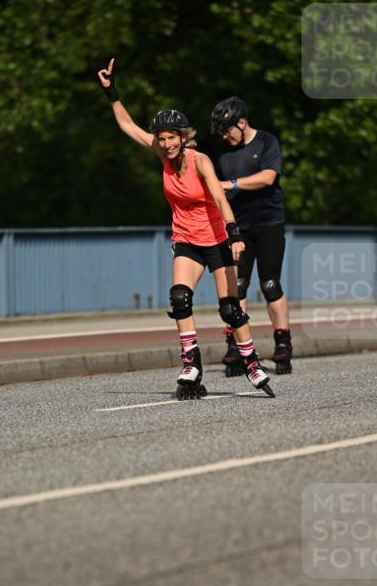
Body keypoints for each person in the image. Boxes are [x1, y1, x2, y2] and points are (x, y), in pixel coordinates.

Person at [97, 59, 274, 399]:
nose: (165, 144)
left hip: (218, 239)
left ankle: (251, 363)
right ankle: (191, 364)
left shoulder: (200, 160)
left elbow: (222, 201)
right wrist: (111, 92)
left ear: (183, 137)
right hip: (187, 240)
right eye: (161, 138)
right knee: (180, 298)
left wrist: (235, 234)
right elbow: (128, 126)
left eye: (171, 138)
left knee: (230, 309)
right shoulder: (162, 156)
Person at [210, 96, 293, 375]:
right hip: (239, 227)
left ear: (242, 122)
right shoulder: (222, 153)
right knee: (239, 285)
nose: (224, 136)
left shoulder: (267, 142)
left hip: (269, 222)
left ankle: (282, 343)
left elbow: (268, 177)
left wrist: (231, 183)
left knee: (269, 283)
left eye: (227, 129)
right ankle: (236, 344)